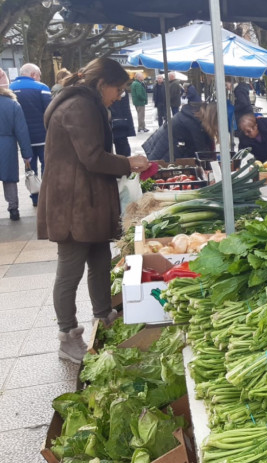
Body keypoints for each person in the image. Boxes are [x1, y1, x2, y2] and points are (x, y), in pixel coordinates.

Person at [38, 57, 149, 364]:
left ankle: (104, 316)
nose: (120, 95)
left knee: (100, 260)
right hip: (72, 202)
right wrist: (127, 163)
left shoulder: (86, 103)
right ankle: (67, 335)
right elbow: (92, 157)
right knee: (70, 269)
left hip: (87, 199)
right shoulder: (80, 106)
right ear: (102, 84)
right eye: (119, 89)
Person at [10, 63, 51, 207]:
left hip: (23, 139)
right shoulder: (42, 88)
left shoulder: (10, 89)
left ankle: (35, 197)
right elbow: (50, 112)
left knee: (30, 169)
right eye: (39, 75)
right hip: (43, 136)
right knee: (47, 165)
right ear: (34, 74)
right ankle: (47, 196)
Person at [0, 68, 33, 221]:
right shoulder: (12, 104)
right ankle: (13, 209)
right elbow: (22, 131)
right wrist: (27, 154)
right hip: (7, 145)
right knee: (9, 178)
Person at [142, 102, 218, 161]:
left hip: (162, 145)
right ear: (212, 119)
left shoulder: (195, 115)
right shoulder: (194, 124)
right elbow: (202, 152)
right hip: (165, 151)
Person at [110, 89, 136, 156]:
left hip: (119, 124)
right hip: (118, 123)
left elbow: (126, 109)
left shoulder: (121, 90)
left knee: (122, 148)